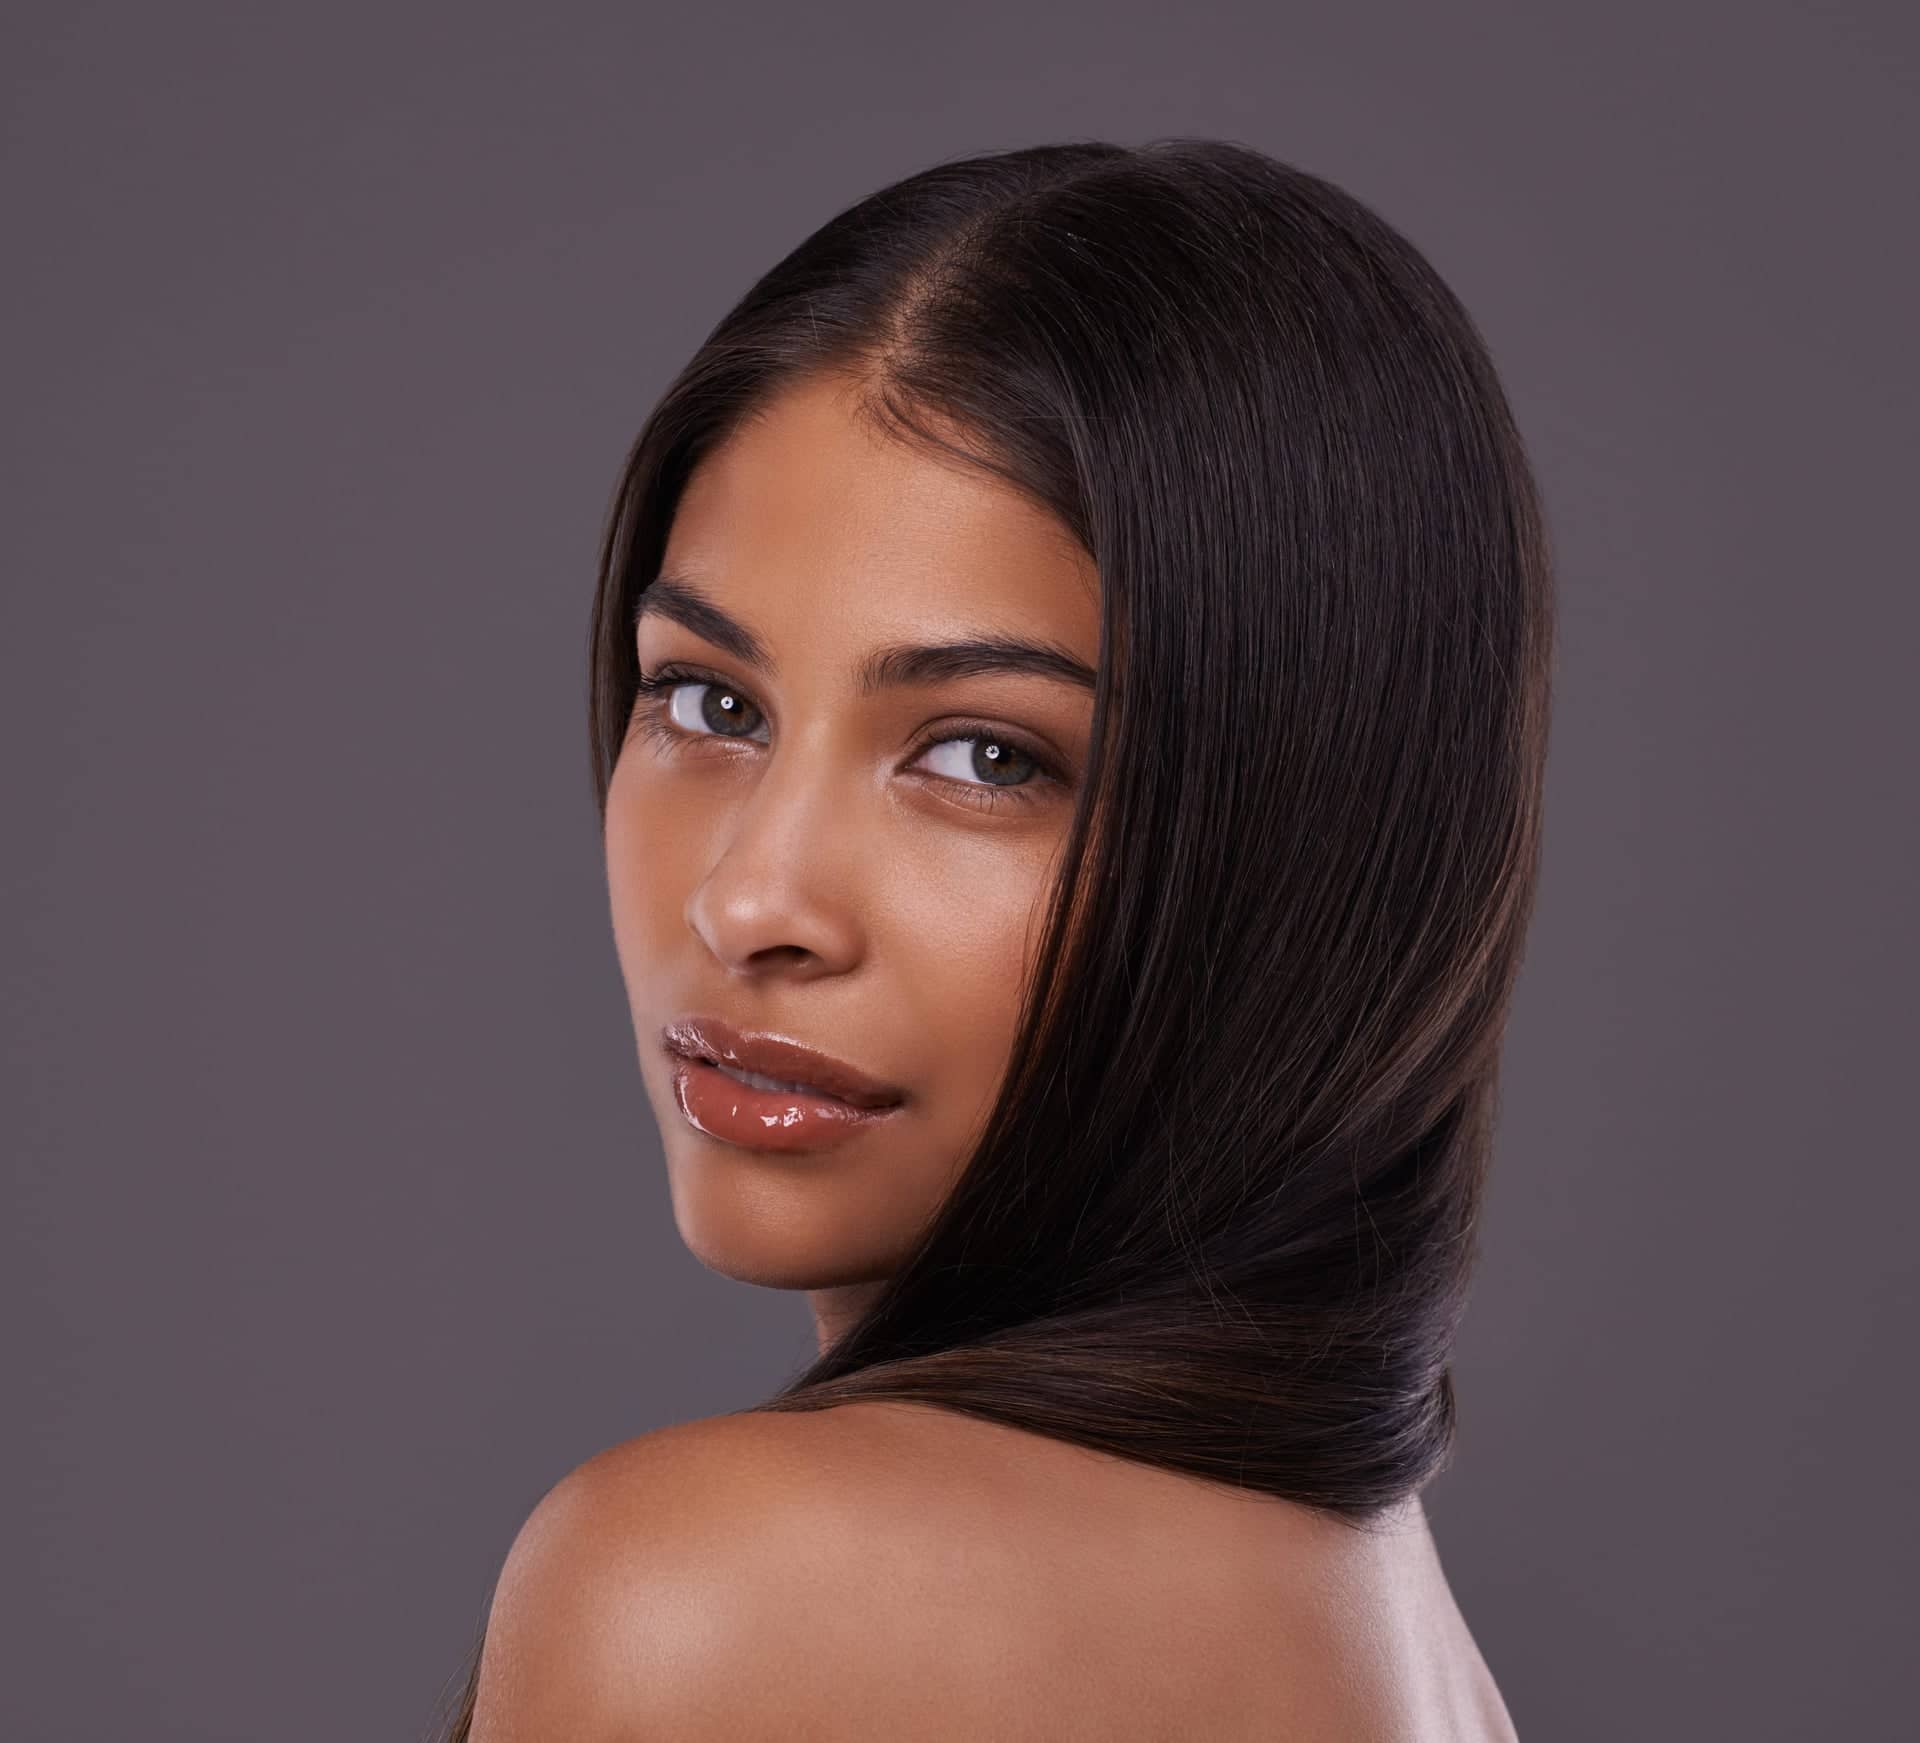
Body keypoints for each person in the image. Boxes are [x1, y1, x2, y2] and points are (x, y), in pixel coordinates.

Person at [437, 135, 1552, 1740]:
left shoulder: (725, 1590)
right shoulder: (1397, 1648)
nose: (752, 903)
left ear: (1303, 846)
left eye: (985, 756)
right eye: (709, 701)